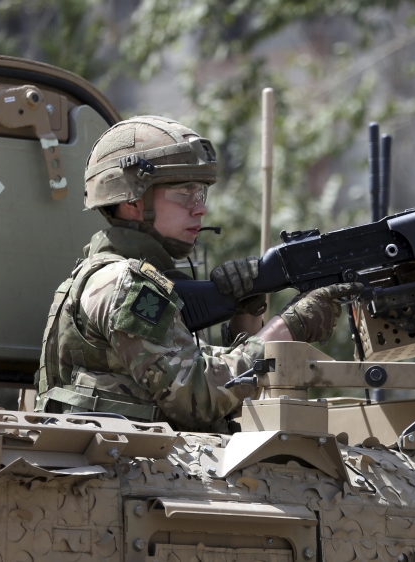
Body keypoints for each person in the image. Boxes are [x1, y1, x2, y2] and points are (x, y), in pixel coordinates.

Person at [35, 115, 361, 432]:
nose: (200, 208)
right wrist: (288, 329)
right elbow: (197, 400)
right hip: (119, 473)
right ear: (133, 200)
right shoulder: (124, 285)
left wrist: (248, 309)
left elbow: (225, 393)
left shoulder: (146, 279)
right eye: (183, 193)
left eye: (201, 192)